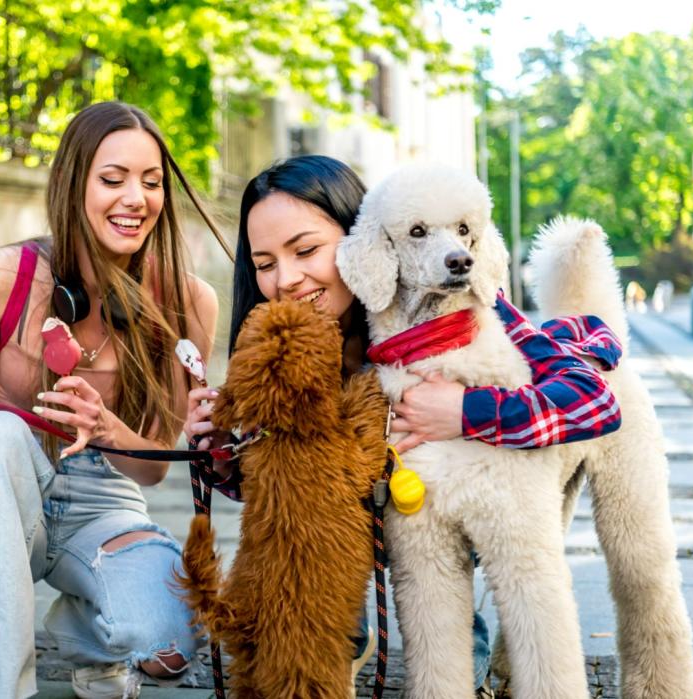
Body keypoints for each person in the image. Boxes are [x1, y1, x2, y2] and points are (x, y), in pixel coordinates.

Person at [182, 155, 623, 697]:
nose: (286, 279)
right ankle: (355, 634)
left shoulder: (458, 316)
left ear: (363, 239)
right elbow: (280, 488)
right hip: (368, 543)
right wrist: (225, 451)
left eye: (305, 251)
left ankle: (478, 649)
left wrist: (465, 410)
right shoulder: (279, 342)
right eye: (264, 263)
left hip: (480, 509)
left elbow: (593, 401)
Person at [0, 101, 227, 699]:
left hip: (105, 498)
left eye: (152, 182)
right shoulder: (1, 279)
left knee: (169, 644)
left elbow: (154, 468)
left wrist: (106, 426)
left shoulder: (186, 301)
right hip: (4, 491)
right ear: (71, 183)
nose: (136, 198)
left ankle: (90, 637)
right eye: (113, 180)